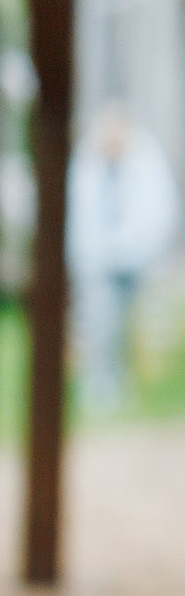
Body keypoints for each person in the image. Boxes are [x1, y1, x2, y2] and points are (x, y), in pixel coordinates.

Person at [68, 102, 181, 411]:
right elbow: (79, 216)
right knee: (100, 325)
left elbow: (158, 212)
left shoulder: (145, 162)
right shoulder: (89, 163)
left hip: (139, 258)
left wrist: (139, 251)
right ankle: (102, 388)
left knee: (140, 329)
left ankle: (136, 386)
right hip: (99, 262)